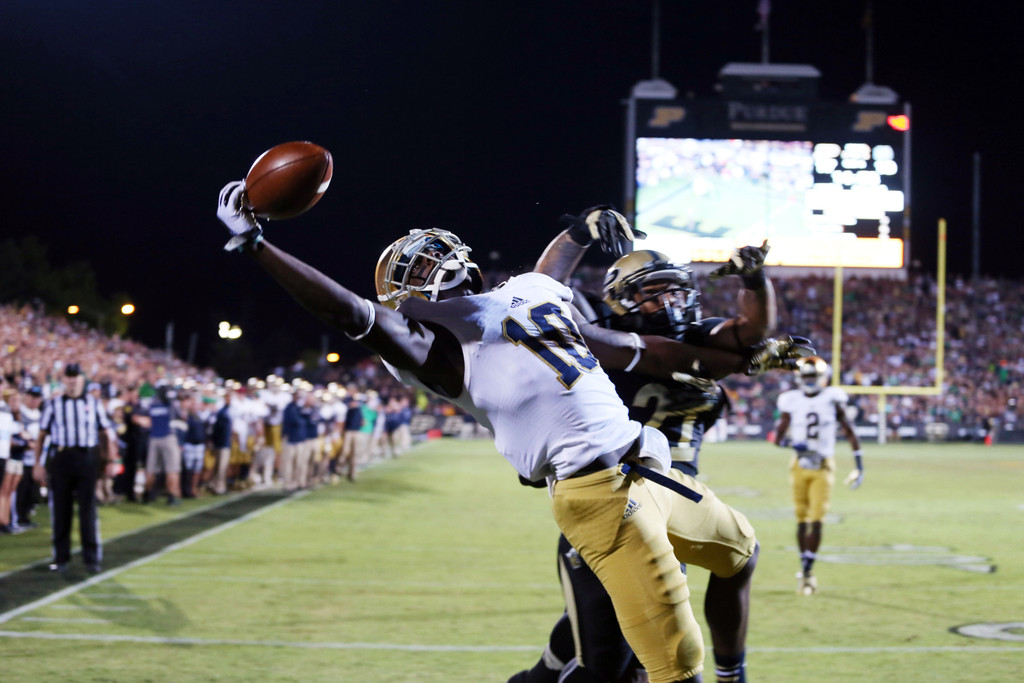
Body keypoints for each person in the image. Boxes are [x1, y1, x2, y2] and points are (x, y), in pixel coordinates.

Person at [217, 182, 805, 682]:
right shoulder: (438, 346)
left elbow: (575, 292)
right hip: (600, 495)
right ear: (406, 299)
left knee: (740, 551)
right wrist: (257, 245)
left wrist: (580, 232)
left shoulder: (522, 294)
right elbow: (346, 311)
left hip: (652, 474)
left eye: (426, 261)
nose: (428, 271)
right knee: (672, 663)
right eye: (414, 272)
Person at [509, 225, 790, 682]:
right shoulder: (599, 338)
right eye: (654, 293)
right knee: (609, 664)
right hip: (612, 502)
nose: (669, 304)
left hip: (673, 501)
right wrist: (578, 235)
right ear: (621, 298)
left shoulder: (702, 338)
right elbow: (547, 296)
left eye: (676, 292)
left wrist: (754, 282)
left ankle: (731, 671)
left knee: (618, 652)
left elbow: (751, 330)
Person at [773, 356, 864, 596]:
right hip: (799, 465)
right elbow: (777, 438)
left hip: (823, 465)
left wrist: (859, 465)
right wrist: (793, 444)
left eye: (814, 376)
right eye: (807, 376)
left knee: (817, 519)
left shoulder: (832, 399)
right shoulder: (791, 400)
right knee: (801, 519)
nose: (810, 381)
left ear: (823, 377)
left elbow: (850, 431)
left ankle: (807, 568)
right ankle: (805, 568)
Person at [33, 362, 118, 573]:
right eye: (68, 376)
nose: (72, 380)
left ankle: (91, 558)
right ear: (64, 380)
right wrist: (38, 463)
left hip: (86, 458)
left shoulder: (93, 402)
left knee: (88, 510)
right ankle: (61, 558)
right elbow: (42, 435)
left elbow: (106, 433)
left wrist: (111, 460)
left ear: (82, 379)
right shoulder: (53, 404)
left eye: (75, 376)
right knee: (61, 510)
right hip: (61, 457)